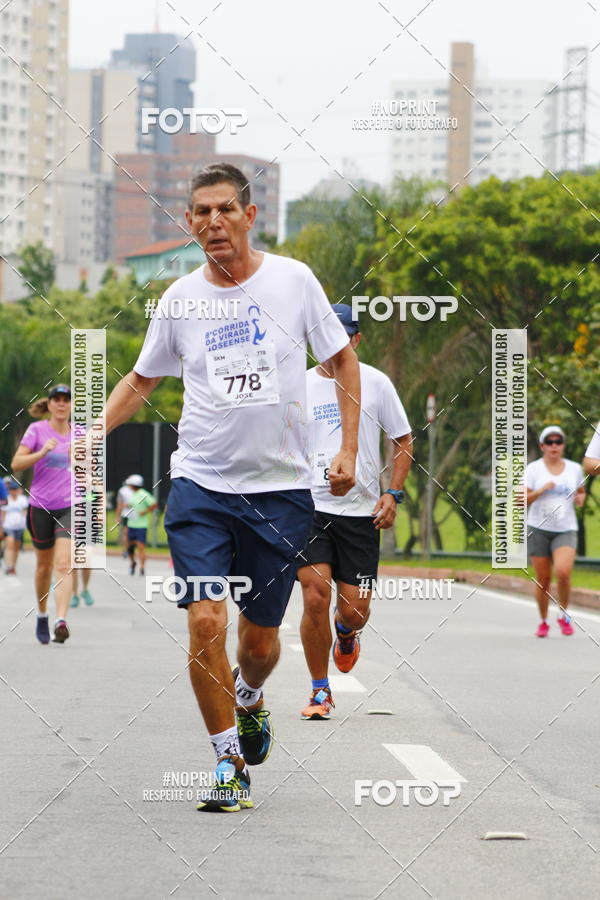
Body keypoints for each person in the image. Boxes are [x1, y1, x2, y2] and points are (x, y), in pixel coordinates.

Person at [101, 162, 360, 812]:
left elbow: (341, 360)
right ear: (189, 224)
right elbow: (142, 378)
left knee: (260, 643)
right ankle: (227, 763)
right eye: (200, 212)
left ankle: (249, 698)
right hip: (200, 486)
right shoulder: (179, 300)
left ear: (249, 216)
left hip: (280, 493)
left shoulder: (293, 282)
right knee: (206, 621)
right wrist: (92, 432)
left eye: (225, 210)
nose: (213, 221)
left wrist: (351, 448)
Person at [297, 305, 413, 719]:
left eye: (341, 337)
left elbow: (402, 439)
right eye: (324, 336)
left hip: (361, 513)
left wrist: (393, 494)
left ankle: (346, 635)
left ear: (356, 340)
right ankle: (319, 690)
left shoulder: (376, 384)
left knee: (354, 609)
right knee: (314, 595)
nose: (332, 345)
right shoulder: (298, 384)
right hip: (309, 507)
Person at [11, 384, 74, 644]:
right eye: (56, 400)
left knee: (63, 564)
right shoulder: (36, 431)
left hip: (69, 505)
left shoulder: (79, 434)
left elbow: (91, 471)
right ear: (48, 405)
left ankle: (61, 620)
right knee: (43, 567)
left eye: (66, 400)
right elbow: (16, 464)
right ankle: (42, 613)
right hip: (40, 506)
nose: (61, 404)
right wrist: (42, 452)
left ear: (71, 405)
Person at [526, 425, 586, 637]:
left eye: (558, 442)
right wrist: (542, 490)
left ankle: (564, 615)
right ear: (542, 446)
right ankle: (543, 621)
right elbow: (522, 500)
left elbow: (580, 492)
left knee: (563, 572)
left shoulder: (574, 469)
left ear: (563, 446)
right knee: (543, 580)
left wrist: (580, 499)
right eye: (549, 442)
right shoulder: (533, 469)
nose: (554, 446)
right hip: (538, 528)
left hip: (565, 528)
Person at [125, 475, 157, 575]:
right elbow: (131, 505)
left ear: (134, 485)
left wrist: (145, 511)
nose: (128, 486)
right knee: (130, 547)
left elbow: (154, 504)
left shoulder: (143, 494)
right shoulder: (132, 494)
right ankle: (132, 563)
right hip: (131, 524)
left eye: (130, 484)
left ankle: (142, 568)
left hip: (141, 526)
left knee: (140, 547)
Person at [2, 478, 28, 575]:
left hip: (19, 526)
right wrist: (1, 526)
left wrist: (26, 524)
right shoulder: (6, 499)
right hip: (8, 526)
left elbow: (25, 511)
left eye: (15, 489)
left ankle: (13, 566)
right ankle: (9, 566)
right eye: (11, 489)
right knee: (10, 544)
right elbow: (3, 513)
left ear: (17, 490)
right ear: (9, 490)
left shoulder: (23, 499)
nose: (13, 491)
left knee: (16, 548)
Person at [115, 478, 135, 559]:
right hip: (127, 515)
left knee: (129, 533)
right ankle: (126, 550)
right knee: (126, 533)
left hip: (135, 515)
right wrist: (117, 516)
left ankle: (129, 549)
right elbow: (119, 504)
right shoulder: (123, 491)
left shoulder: (138, 490)